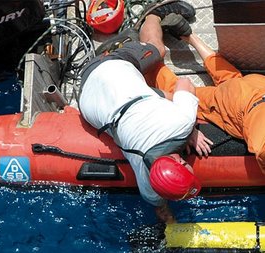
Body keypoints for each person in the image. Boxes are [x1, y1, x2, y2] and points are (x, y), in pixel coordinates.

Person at [149, 29, 265, 226]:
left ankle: (191, 36)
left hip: (258, 84)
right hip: (238, 101)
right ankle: (150, 62)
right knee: (183, 94)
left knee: (231, 79)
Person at [78, 2, 211, 223]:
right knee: (157, 66)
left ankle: (145, 26)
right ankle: (149, 20)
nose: (190, 165)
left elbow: (185, 84)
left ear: (179, 162)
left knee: (159, 56)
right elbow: (162, 211)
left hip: (109, 75)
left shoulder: (179, 123)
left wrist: (191, 127)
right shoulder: (147, 183)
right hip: (90, 94)